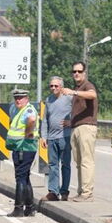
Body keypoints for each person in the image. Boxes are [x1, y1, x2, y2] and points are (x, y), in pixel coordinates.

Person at [63, 61, 98, 202]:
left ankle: (87, 193)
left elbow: (93, 95)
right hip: (76, 127)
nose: (76, 74)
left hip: (86, 127)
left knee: (86, 161)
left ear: (84, 73)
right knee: (78, 162)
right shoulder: (78, 88)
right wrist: (70, 122)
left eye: (79, 71)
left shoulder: (87, 86)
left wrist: (74, 92)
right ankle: (81, 191)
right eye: (74, 72)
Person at [6, 88, 38, 217]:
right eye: (16, 98)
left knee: (20, 177)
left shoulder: (28, 110)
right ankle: (29, 208)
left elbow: (31, 120)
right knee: (25, 177)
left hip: (24, 147)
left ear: (27, 99)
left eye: (21, 98)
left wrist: (28, 133)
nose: (18, 100)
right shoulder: (19, 110)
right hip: (20, 147)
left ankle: (18, 208)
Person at [41, 76, 73, 201]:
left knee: (65, 165)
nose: (53, 88)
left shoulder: (69, 98)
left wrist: (72, 122)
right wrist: (44, 136)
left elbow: (80, 110)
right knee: (53, 165)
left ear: (61, 87)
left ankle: (64, 192)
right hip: (52, 137)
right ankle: (53, 192)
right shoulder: (48, 100)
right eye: (51, 86)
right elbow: (45, 120)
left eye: (56, 86)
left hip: (64, 137)